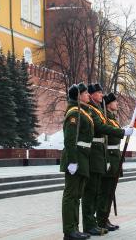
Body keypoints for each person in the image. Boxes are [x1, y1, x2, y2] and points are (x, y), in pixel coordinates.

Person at [82, 83, 133, 236]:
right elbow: (103, 130)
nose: (101, 95)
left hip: (107, 156)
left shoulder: (101, 113)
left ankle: (102, 219)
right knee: (99, 192)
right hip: (102, 156)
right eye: (99, 92)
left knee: (105, 191)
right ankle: (99, 220)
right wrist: (122, 132)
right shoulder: (93, 111)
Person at [61, 83, 93, 240]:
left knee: (76, 196)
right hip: (75, 158)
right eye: (86, 93)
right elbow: (69, 139)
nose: (88, 96)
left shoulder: (82, 112)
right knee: (70, 195)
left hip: (82, 157)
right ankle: (69, 231)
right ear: (78, 96)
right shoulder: (74, 113)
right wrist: (72, 161)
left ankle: (74, 228)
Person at [96, 92, 122, 231]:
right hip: (109, 157)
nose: (117, 104)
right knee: (105, 192)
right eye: (114, 102)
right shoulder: (105, 119)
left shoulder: (111, 118)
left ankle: (105, 218)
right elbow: (106, 139)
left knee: (110, 192)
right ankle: (101, 219)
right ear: (108, 104)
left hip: (115, 157)